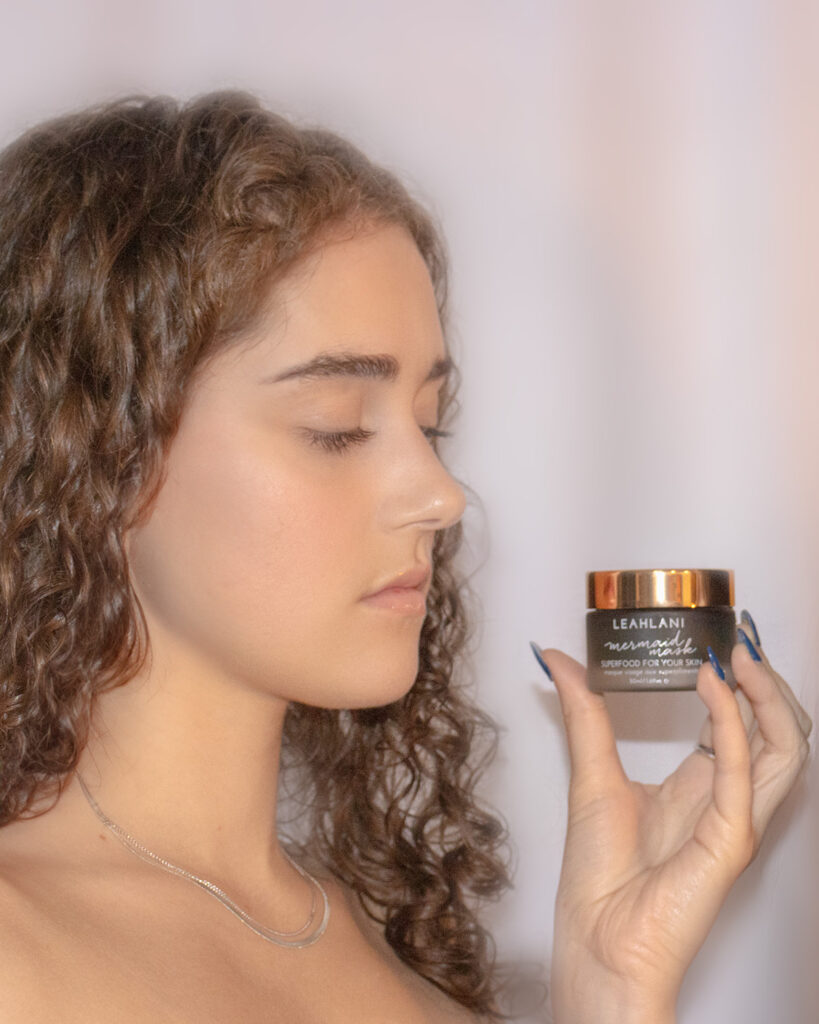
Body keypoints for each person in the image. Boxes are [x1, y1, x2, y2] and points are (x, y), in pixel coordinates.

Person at [0, 89, 810, 1024]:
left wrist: (613, 990)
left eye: (431, 425)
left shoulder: (389, 962)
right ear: (94, 452)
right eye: (337, 429)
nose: (442, 495)